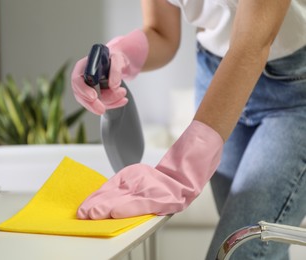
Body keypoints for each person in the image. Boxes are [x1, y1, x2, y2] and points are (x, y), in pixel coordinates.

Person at [71, 0, 306, 259]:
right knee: (260, 248)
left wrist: (181, 170)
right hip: (216, 75)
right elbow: (161, 32)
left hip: (295, 93)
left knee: (240, 248)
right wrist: (119, 55)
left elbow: (251, 43)